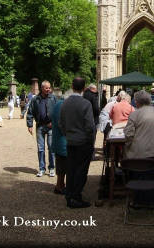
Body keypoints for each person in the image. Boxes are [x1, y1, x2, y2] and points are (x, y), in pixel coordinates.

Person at [123, 90, 154, 206]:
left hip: (138, 153)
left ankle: (138, 201)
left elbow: (128, 135)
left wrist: (127, 147)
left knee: (137, 175)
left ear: (137, 102)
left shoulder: (134, 114)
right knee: (151, 175)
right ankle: (150, 201)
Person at [59, 77, 95, 209]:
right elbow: (90, 126)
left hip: (71, 141)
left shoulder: (65, 103)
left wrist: (68, 135)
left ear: (72, 86)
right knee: (81, 171)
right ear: (84, 87)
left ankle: (70, 195)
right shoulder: (86, 104)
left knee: (71, 169)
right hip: (83, 142)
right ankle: (75, 197)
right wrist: (90, 140)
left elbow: (61, 123)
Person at [26, 80, 57, 177]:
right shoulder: (35, 99)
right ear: (42, 88)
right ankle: (41, 168)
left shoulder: (53, 98)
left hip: (51, 126)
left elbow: (57, 111)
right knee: (40, 149)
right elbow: (30, 112)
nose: (48, 89)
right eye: (46, 88)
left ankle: (52, 168)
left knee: (51, 148)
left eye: (49, 87)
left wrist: (54, 122)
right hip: (40, 126)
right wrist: (29, 125)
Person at [51, 98, 67, 195]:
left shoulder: (59, 104)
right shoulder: (61, 106)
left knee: (61, 165)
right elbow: (61, 124)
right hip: (62, 141)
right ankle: (59, 186)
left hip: (60, 141)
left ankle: (60, 185)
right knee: (62, 166)